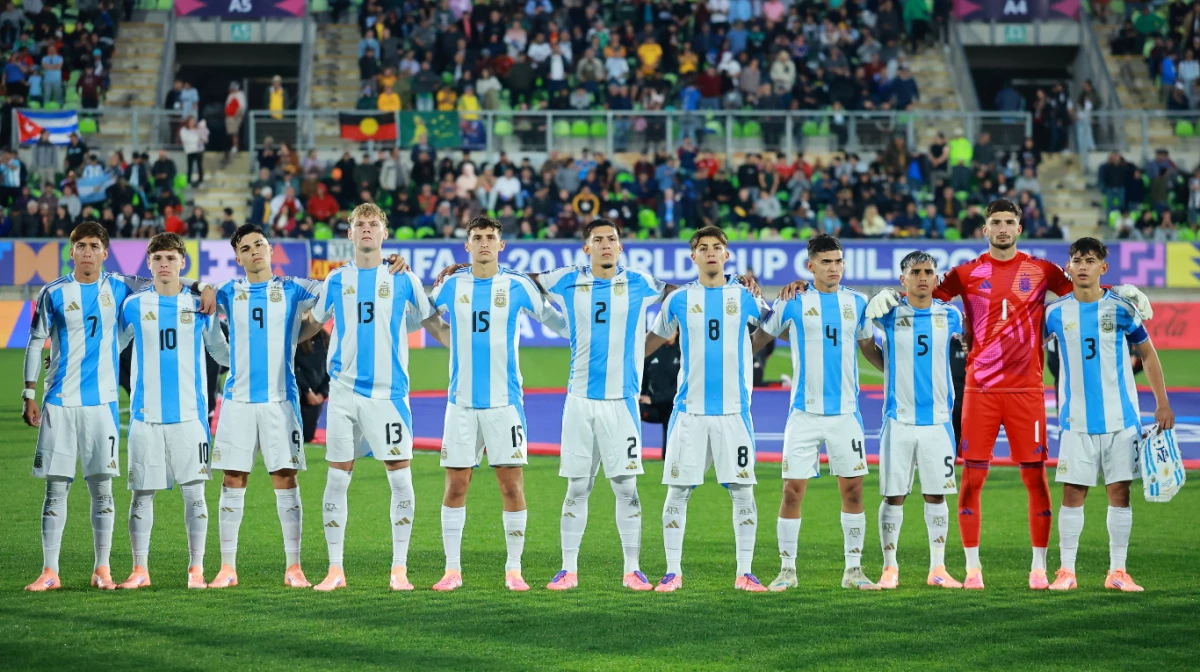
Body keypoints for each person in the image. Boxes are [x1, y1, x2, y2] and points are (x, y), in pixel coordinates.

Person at [864, 198, 1154, 590]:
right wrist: (889, 297)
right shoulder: (965, 274)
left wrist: (1121, 290)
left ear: (1020, 228)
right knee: (971, 480)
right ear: (985, 229)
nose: (1002, 228)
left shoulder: (1043, 270)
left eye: (1009, 222)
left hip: (1026, 389)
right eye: (995, 221)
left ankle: (1039, 568)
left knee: (1035, 479)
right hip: (980, 390)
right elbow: (924, 295)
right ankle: (971, 569)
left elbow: (1086, 288)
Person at [21, 223, 214, 593]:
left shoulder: (122, 287)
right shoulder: (53, 292)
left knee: (102, 491)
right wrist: (29, 393)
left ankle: (103, 569)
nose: (88, 252)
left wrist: (201, 286)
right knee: (55, 488)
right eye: (81, 246)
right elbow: (35, 342)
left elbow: (167, 276)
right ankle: (50, 570)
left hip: (103, 405)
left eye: (95, 246)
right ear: (72, 251)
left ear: (105, 253)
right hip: (58, 401)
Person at [424, 216, 568, 592]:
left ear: (501, 245)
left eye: (490, 237)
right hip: (461, 404)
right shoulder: (451, 285)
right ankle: (452, 570)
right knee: (456, 485)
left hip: (505, 404)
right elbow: (420, 312)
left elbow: (557, 321)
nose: (484, 243)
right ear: (467, 245)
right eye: (477, 237)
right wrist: (447, 338)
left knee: (511, 487)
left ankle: (514, 569)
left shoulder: (517, 285)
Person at [307, 203, 435, 593]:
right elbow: (315, 321)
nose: (366, 229)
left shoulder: (404, 279)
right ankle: (334, 569)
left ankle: (399, 569)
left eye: (373, 224)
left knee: (400, 479)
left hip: (389, 395)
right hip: (344, 393)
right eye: (359, 224)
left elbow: (424, 318)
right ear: (349, 234)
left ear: (384, 232)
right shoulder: (334, 280)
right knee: (336, 478)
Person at [644, 226, 774, 593]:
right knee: (678, 491)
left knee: (742, 491)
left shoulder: (744, 295)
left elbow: (774, 325)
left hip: (734, 412)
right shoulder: (680, 299)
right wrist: (624, 363)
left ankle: (745, 572)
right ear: (694, 257)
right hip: (689, 411)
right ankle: (672, 572)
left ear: (726, 255)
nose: (711, 253)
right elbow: (653, 339)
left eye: (718, 247)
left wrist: (752, 344)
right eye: (704, 248)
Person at [1043, 237, 1174, 592]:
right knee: (1073, 493)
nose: (1082, 266)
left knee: (1120, 493)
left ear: (1104, 267)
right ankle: (1066, 572)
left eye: (1090, 260)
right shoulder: (1054, 313)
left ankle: (1118, 572)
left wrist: (1162, 402)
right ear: (1068, 267)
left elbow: (1147, 355)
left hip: (1121, 420)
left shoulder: (1122, 308)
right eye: (1077, 260)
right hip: (1076, 420)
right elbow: (1028, 355)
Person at [753, 234, 882, 592]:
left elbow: (868, 346)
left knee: (854, 490)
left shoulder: (857, 303)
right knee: (792, 491)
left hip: (845, 414)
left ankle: (854, 571)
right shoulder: (793, 301)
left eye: (838, 261)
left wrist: (896, 372)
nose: (834, 268)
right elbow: (759, 339)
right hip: (803, 414)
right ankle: (787, 571)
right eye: (826, 262)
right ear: (810, 266)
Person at [205, 225, 329, 589]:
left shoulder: (293, 289)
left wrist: (300, 333)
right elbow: (212, 335)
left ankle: (294, 567)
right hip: (239, 401)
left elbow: (336, 289)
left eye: (260, 244)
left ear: (270, 249)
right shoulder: (228, 292)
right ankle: (227, 567)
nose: (255, 250)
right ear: (238, 257)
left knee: (285, 478)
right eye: (246, 247)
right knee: (232, 479)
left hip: (281, 400)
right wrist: (233, 360)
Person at [114, 232, 230, 590]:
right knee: (141, 495)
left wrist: (251, 368)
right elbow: (110, 349)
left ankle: (196, 569)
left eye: (171, 258)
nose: (164, 264)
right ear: (148, 264)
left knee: (195, 495)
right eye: (158, 258)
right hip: (144, 417)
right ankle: (139, 570)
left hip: (190, 418)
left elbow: (220, 352)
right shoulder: (132, 305)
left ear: (183, 263)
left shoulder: (199, 306)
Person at [865, 251, 965, 589]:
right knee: (894, 496)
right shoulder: (889, 314)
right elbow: (863, 338)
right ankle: (889, 568)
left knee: (936, 495)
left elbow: (971, 345)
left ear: (936, 278)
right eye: (915, 271)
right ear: (902, 279)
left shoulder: (951, 315)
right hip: (899, 420)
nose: (923, 277)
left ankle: (938, 569)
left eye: (929, 272)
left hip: (939, 421)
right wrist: (888, 366)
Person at [224, 81, 247, 154]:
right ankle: (232, 146)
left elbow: (241, 107)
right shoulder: (231, 95)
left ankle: (235, 147)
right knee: (231, 133)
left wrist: (236, 115)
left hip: (235, 118)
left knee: (235, 133)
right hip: (229, 117)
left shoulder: (240, 95)